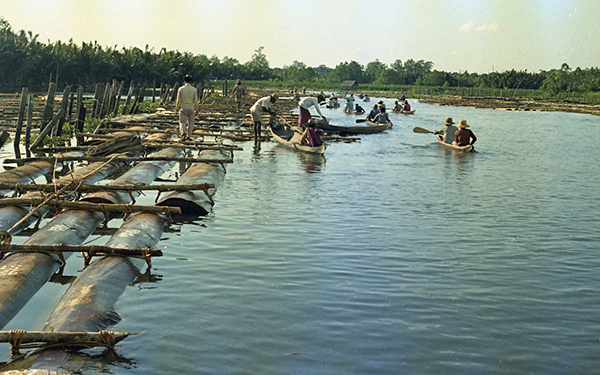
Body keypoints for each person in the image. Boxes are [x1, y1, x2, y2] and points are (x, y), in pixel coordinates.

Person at [175, 74, 198, 141]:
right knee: (191, 122)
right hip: (191, 107)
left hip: (183, 107)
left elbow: (178, 100)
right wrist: (196, 109)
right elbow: (195, 101)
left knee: (182, 121)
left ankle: (183, 133)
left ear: (184, 81)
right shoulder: (194, 89)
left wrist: (176, 108)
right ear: (191, 82)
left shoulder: (181, 89)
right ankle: (189, 135)